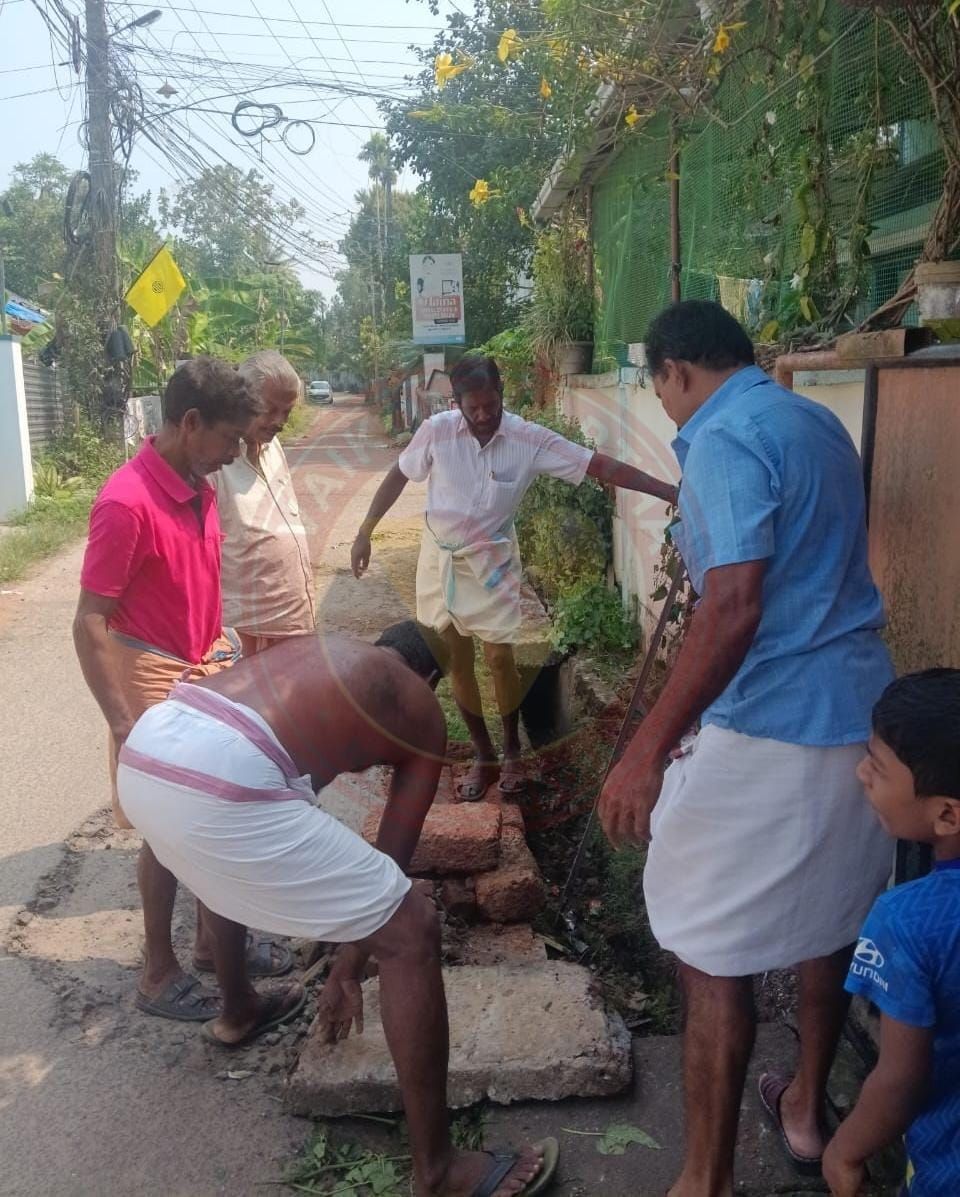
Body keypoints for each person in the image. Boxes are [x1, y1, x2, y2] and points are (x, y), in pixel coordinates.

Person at [597, 300, 894, 1197]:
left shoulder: (723, 441)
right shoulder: (817, 421)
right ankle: (804, 1107)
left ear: (674, 372)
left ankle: (705, 1178)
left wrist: (646, 747)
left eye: (659, 387)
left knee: (704, 937)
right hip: (862, 723)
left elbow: (732, 609)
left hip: (774, 721)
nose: (664, 403)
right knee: (831, 915)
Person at [116, 623, 558, 1197]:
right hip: (220, 773)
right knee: (412, 928)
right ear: (428, 677)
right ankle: (441, 1172)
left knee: (220, 850)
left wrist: (343, 958)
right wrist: (347, 973)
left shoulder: (324, 655)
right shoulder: (417, 704)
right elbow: (392, 866)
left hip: (152, 749)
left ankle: (239, 1009)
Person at [351, 354, 676, 800]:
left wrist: (667, 490)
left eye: (491, 406)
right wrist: (365, 531)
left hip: (493, 560)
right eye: (473, 408)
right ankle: (483, 756)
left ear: (502, 396)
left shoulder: (527, 438)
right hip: (440, 558)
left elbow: (599, 466)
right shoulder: (438, 432)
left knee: (499, 658)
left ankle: (510, 751)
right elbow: (399, 473)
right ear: (458, 403)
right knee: (456, 661)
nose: (483, 417)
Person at [73, 357, 290, 1024]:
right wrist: (121, 722)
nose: (234, 454)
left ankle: (210, 946)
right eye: (229, 439)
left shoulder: (195, 482)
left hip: (201, 661)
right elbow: (89, 621)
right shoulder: (125, 501)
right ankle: (156, 969)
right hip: (149, 670)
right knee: (170, 829)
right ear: (190, 423)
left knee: (210, 816)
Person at [822, 670, 960, 1197]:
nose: (861, 773)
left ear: (946, 814)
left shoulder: (908, 921)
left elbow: (901, 1078)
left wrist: (846, 1150)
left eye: (878, 768)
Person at [213, 350, 316, 657]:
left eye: (287, 412)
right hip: (243, 630)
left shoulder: (272, 444)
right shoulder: (216, 460)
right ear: (241, 400)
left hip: (293, 621)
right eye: (271, 410)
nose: (280, 422)